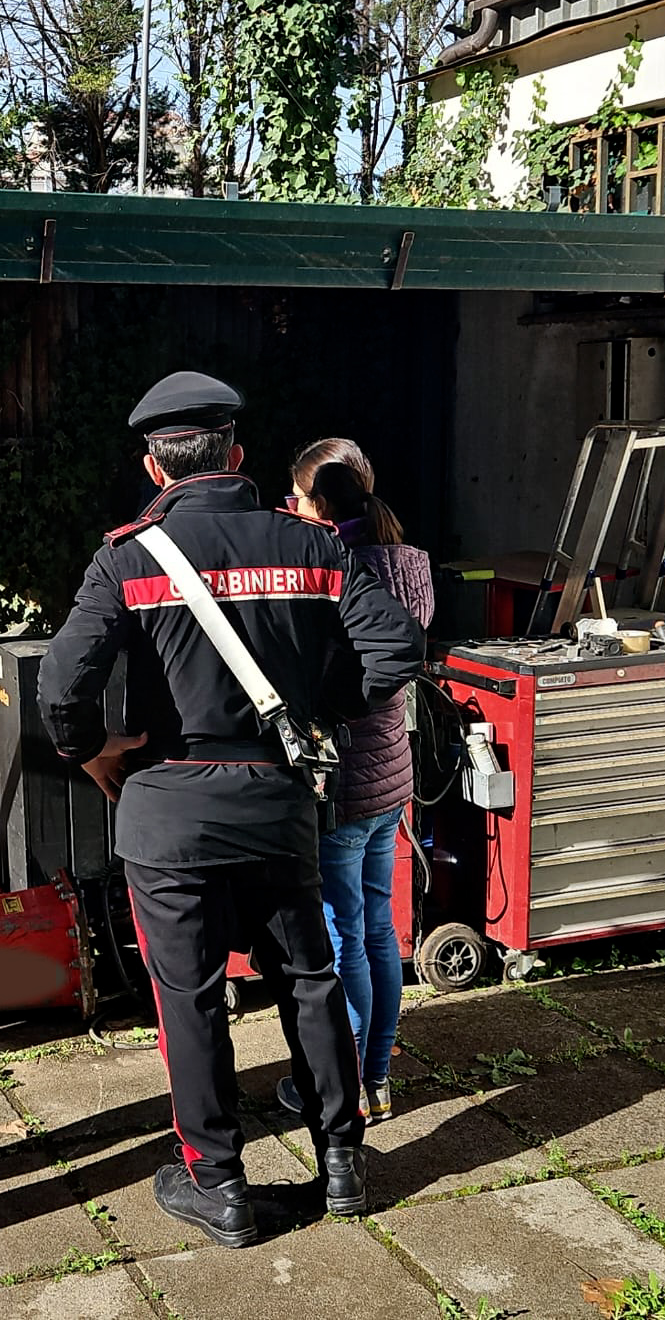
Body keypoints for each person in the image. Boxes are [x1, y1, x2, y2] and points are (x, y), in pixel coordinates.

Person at [38, 373, 425, 1246]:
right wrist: (322, 712)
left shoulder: (129, 558)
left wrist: (91, 749)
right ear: (237, 457)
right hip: (280, 805)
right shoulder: (311, 545)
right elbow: (397, 647)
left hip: (169, 815)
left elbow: (62, 688)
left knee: (191, 999)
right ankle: (342, 1164)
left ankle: (217, 1185)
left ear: (152, 464)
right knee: (310, 980)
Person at [277, 438, 434, 1128]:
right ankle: (378, 1079)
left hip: (346, 782)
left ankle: (343, 1086)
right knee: (378, 931)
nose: (291, 509)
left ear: (320, 504)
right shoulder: (411, 563)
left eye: (297, 498)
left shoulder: (337, 572)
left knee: (347, 939)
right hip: (394, 772)